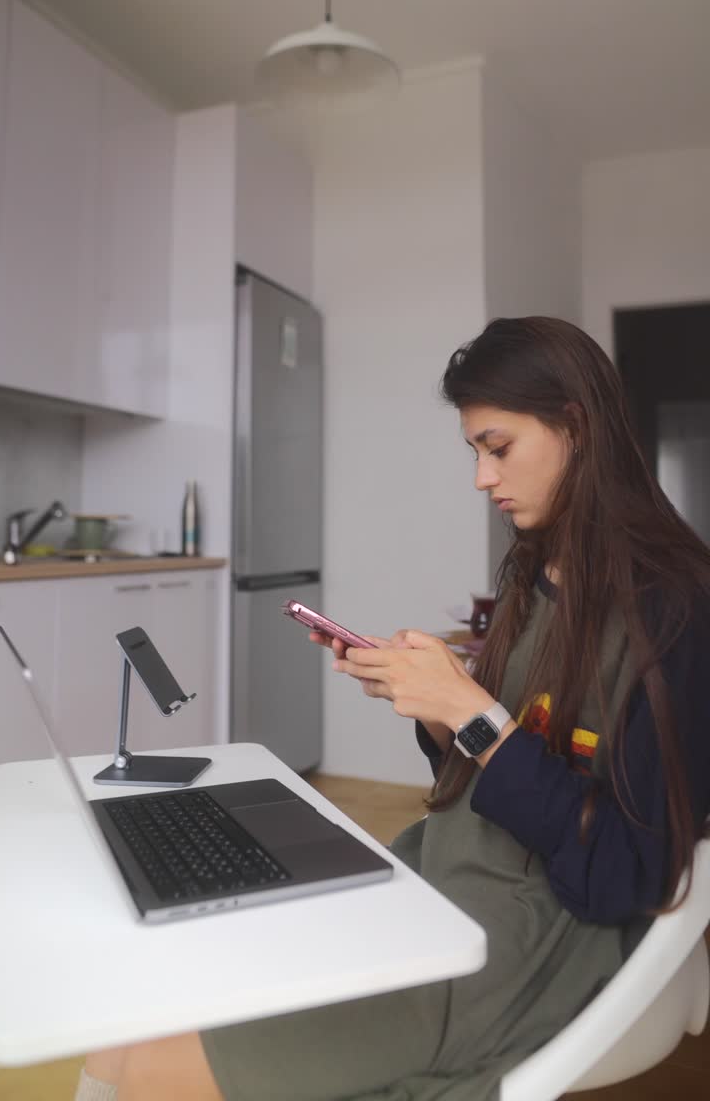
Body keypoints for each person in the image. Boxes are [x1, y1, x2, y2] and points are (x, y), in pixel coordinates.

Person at [76, 316, 710, 1101]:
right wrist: (441, 711)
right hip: (442, 883)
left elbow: (622, 870)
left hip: (527, 940)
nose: (483, 478)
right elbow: (509, 764)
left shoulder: (675, 610)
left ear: (575, 426)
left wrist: (474, 713)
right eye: (475, 452)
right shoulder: (535, 572)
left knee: (152, 1067)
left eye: (498, 447)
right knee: (132, 1022)